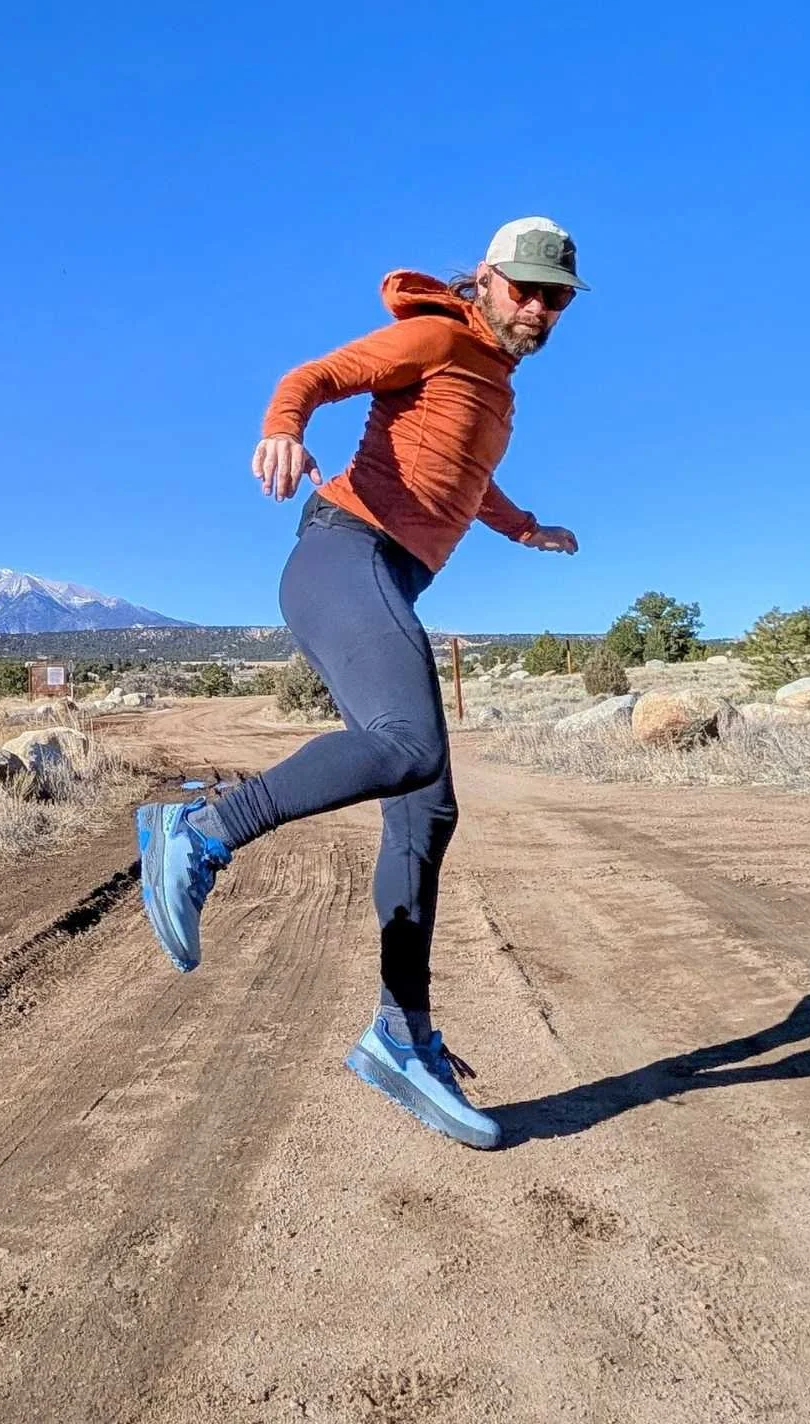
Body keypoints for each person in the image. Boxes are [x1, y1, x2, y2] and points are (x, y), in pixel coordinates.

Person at [135, 217, 584, 1149]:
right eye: (525, 290)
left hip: (387, 579)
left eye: (557, 298)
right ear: (487, 281)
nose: (538, 309)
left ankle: (400, 1036)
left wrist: (525, 527)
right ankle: (201, 833)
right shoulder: (438, 334)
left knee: (428, 812)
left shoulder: (495, 387)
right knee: (409, 744)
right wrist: (282, 430)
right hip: (344, 557)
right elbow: (318, 376)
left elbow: (469, 475)